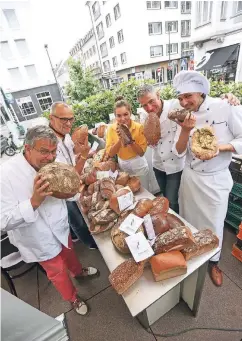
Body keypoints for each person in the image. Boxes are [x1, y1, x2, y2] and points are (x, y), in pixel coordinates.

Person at [0, 125, 99, 315]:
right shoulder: (5, 175)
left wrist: (73, 190)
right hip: (37, 238)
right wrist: (34, 202)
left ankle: (79, 272)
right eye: (44, 151)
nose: (50, 157)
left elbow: (69, 190)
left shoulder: (55, 161)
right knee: (58, 272)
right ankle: (73, 298)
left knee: (71, 255)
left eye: (53, 152)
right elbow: (3, 221)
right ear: (27, 148)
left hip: (61, 226)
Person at [172, 70, 242, 287]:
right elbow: (178, 151)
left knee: (214, 223)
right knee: (188, 219)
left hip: (215, 179)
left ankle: (213, 262)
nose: (184, 102)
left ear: (201, 92)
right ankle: (192, 253)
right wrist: (185, 130)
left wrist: (217, 147)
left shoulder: (225, 107)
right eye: (180, 98)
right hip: (191, 178)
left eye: (188, 96)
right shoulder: (183, 115)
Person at [137, 84, 240, 214]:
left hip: (175, 165)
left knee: (173, 200)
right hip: (158, 164)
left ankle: (175, 224)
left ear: (158, 94)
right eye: (144, 105)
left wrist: (227, 97)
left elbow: (201, 105)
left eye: (151, 101)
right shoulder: (146, 116)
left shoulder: (177, 106)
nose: (149, 108)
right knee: (166, 198)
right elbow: (150, 141)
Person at [49, 102, 97, 249]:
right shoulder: (49, 144)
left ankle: (77, 236)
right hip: (63, 191)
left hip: (73, 185)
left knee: (79, 215)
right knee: (77, 221)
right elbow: (69, 177)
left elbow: (72, 153)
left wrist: (81, 150)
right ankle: (91, 245)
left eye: (71, 119)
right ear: (51, 118)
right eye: (64, 119)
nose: (68, 123)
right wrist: (83, 157)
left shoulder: (66, 134)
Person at [105, 96, 149, 189]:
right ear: (115, 116)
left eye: (125, 114)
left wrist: (129, 139)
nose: (123, 118)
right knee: (129, 193)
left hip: (138, 166)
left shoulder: (139, 127)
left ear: (130, 113)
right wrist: (120, 139)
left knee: (143, 192)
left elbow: (141, 153)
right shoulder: (111, 129)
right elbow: (110, 153)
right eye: (119, 115)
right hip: (123, 166)